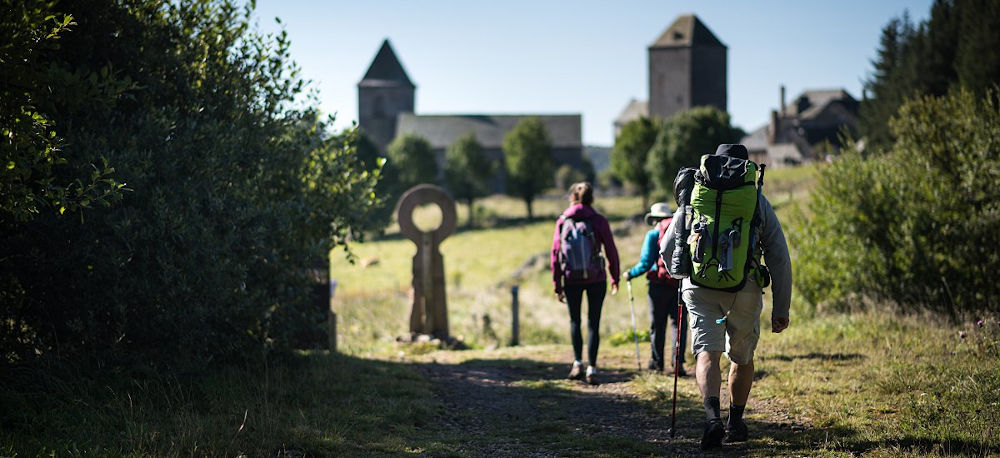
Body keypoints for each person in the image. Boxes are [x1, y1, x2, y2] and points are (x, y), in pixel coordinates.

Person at [660, 144, 792, 449]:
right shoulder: (755, 200)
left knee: (706, 353)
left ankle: (711, 420)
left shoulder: (696, 195)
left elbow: (667, 246)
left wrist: (679, 275)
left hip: (698, 286)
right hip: (743, 287)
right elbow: (779, 257)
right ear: (745, 169)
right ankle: (735, 422)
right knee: (741, 357)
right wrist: (780, 308)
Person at [550, 182, 620, 385]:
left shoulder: (563, 221)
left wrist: (557, 284)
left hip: (571, 278)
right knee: (593, 322)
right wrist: (614, 276)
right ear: (591, 198)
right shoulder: (598, 220)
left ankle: (577, 363)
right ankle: (592, 368)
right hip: (596, 278)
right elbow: (611, 251)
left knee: (574, 321)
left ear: (573, 197)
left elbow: (555, 254)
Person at [622, 202, 687, 375]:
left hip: (658, 286)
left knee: (657, 326)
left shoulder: (653, 235)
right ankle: (677, 363)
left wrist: (630, 274)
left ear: (655, 219)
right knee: (678, 325)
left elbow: (645, 263)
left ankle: (657, 363)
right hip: (679, 284)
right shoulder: (682, 232)